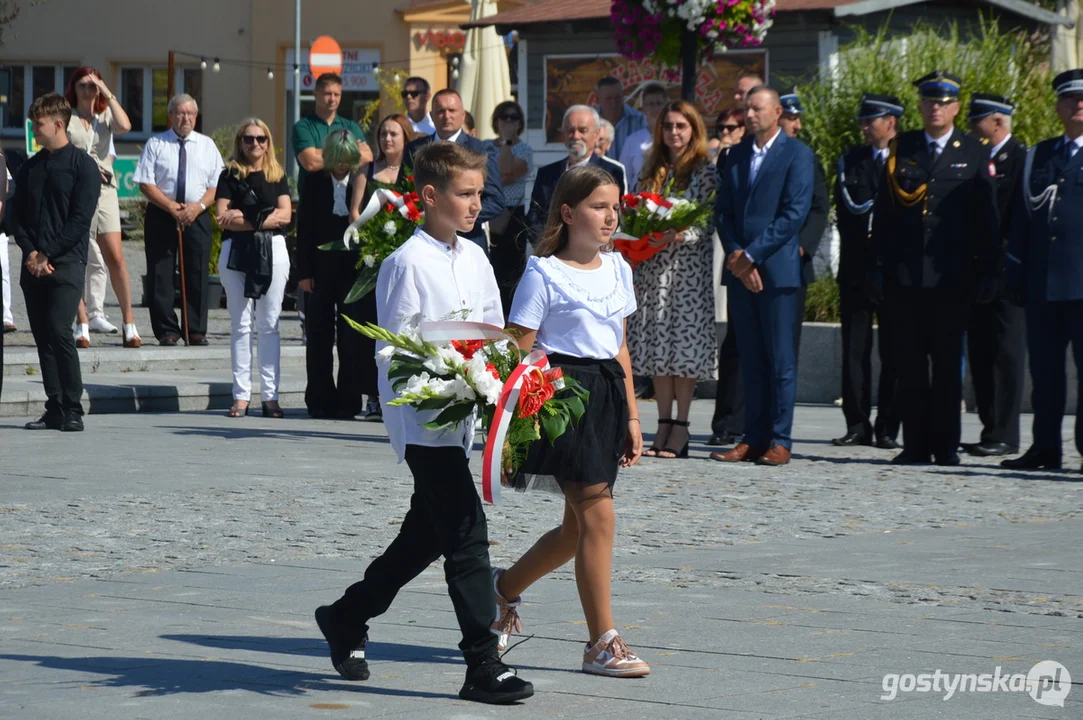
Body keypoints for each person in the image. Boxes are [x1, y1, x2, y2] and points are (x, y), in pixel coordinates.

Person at [314, 142, 534, 705]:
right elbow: (394, 350)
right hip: (423, 421)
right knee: (467, 533)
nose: (475, 205)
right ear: (429, 195)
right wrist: (445, 379)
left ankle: (347, 615)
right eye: (464, 194)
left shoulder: (478, 256)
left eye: (479, 194)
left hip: (463, 418)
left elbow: (493, 334)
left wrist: (496, 393)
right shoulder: (404, 262)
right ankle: (482, 665)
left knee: (425, 537)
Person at [490, 164, 649, 677]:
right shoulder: (543, 273)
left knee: (573, 532)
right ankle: (601, 643)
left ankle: (503, 588)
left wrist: (631, 414)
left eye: (614, 207)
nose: (611, 216)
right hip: (561, 403)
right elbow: (517, 353)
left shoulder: (619, 268)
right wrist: (510, 435)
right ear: (568, 211)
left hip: (605, 398)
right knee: (599, 517)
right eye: (599, 206)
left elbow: (619, 347)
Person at [869, 71, 999, 467]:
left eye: (943, 102)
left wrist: (990, 272)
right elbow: (886, 214)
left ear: (957, 107)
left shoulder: (974, 150)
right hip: (906, 277)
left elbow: (986, 219)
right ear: (921, 106)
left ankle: (945, 446)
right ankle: (915, 444)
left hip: (951, 278)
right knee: (909, 364)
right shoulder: (902, 147)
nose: (935, 108)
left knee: (946, 366)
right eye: (929, 101)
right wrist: (879, 268)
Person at [711, 86, 815, 467]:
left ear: (777, 112)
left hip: (778, 271)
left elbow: (795, 212)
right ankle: (752, 437)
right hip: (741, 271)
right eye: (746, 108)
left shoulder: (797, 154)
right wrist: (737, 256)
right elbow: (723, 211)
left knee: (781, 359)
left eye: (757, 108)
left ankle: (780, 438)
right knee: (750, 358)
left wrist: (752, 256)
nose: (750, 114)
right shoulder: (735, 154)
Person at [1002, 69, 1083, 476]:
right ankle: (1045, 447)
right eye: (1070, 98)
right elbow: (1022, 219)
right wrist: (1016, 273)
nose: (1079, 104)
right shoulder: (1039, 154)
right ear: (1058, 106)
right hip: (1044, 283)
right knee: (1045, 374)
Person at [628, 101, 718, 459]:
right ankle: (662, 423)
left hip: (686, 274)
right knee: (658, 350)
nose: (675, 133)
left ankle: (681, 425)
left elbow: (708, 220)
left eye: (681, 126)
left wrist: (679, 234)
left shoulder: (704, 171)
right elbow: (635, 207)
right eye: (668, 126)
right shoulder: (653, 168)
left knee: (683, 351)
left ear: (693, 130)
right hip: (653, 270)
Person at [12, 93, 101, 432]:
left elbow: (80, 220)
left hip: (66, 262)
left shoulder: (83, 166)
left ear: (58, 124)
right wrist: (33, 252)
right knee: (42, 337)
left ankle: (73, 407)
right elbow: (17, 217)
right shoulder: (32, 166)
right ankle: (54, 407)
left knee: (60, 330)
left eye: (39, 124)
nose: (35, 130)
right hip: (33, 263)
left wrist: (48, 253)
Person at [831, 93, 903, 449]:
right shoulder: (851, 161)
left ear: (891, 122)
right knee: (855, 351)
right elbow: (848, 211)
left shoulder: (909, 157)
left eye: (870, 120)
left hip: (894, 270)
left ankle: (888, 425)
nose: (863, 126)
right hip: (858, 268)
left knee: (894, 350)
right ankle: (857, 423)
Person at [961, 93, 1026, 457]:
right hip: (977, 272)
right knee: (982, 353)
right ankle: (990, 429)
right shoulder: (977, 160)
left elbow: (1016, 218)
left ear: (997, 122)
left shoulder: (1019, 159)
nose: (972, 129)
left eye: (977, 122)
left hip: (1006, 273)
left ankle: (1006, 432)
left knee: (1006, 354)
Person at [215, 119, 293, 419]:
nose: (255, 144)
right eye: (249, 139)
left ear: (268, 142)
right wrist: (263, 218)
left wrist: (243, 216)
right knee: (241, 324)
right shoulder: (230, 174)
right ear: (240, 141)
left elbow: (286, 216)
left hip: (273, 249)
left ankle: (270, 397)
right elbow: (222, 217)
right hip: (236, 251)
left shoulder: (277, 174)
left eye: (261, 138)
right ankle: (241, 396)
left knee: (270, 325)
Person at [134, 94, 223, 346]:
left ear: (196, 117)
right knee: (161, 273)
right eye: (180, 113)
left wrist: (198, 206)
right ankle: (167, 330)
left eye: (190, 114)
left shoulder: (207, 145)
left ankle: (195, 329)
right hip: (162, 213)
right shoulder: (156, 143)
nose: (185, 118)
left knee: (197, 271)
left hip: (198, 214)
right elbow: (145, 183)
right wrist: (172, 207)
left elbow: (217, 186)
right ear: (170, 116)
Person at [345, 114, 418, 420]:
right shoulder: (366, 169)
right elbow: (355, 212)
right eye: (383, 134)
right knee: (368, 328)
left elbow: (418, 211)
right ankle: (372, 396)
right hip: (371, 260)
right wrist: (371, 246)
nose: (387, 139)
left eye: (394, 134)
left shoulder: (413, 173)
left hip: (405, 259)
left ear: (405, 138)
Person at [64, 67, 140, 349]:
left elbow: (126, 126)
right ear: (74, 88)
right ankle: (81, 323)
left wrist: (107, 92)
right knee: (76, 257)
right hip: (74, 192)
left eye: (93, 86)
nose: (88, 90)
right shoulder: (67, 116)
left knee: (116, 258)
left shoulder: (105, 115)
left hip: (105, 191)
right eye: (83, 85)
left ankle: (129, 323)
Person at [300, 129, 371, 420]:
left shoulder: (361, 182)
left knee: (350, 336)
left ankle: (348, 400)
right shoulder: (315, 181)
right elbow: (303, 227)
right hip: (319, 268)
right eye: (337, 161)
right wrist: (303, 272)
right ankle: (318, 399)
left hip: (351, 269)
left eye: (347, 161)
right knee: (318, 335)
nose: (342, 166)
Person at [403, 88, 505, 253]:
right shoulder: (414, 149)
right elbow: (404, 192)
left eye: (452, 110)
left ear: (463, 115)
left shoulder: (480, 149)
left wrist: (458, 215)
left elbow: (496, 200)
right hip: (424, 240)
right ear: (432, 115)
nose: (447, 116)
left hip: (468, 241)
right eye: (441, 111)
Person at [707, 106, 749, 448]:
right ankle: (726, 422)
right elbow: (722, 210)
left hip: (768, 260)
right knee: (735, 343)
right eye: (720, 126)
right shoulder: (728, 159)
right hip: (735, 259)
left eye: (731, 126)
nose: (724, 132)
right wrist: (738, 253)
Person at [527, 106, 625, 240]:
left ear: (596, 134)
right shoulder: (547, 174)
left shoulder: (612, 172)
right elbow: (534, 218)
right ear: (563, 135)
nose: (576, 136)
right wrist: (549, 249)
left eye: (583, 130)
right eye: (570, 130)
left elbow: (617, 216)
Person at [777, 92, 827, 356]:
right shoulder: (748, 155)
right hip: (755, 261)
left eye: (798, 118)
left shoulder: (806, 157)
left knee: (788, 342)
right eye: (791, 118)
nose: (797, 125)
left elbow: (819, 206)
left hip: (792, 260)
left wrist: (803, 245)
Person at [485, 101, 534, 316]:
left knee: (514, 271)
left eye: (513, 117)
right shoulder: (486, 147)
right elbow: (493, 177)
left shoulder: (525, 149)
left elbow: (505, 173)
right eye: (504, 117)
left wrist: (506, 142)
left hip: (514, 215)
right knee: (491, 268)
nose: (508, 121)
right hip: (489, 213)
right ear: (496, 120)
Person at [293, 73, 372, 189]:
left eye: (337, 94)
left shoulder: (351, 126)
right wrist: (350, 151)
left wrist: (320, 152)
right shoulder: (303, 127)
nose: (332, 99)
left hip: (347, 199)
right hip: (312, 201)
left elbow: (367, 158)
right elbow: (311, 163)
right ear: (315, 93)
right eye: (327, 94)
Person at [619, 82, 668, 186]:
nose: (655, 108)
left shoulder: (673, 137)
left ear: (666, 106)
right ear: (643, 109)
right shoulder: (632, 140)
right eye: (650, 104)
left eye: (659, 103)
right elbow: (624, 176)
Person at [594, 76, 645, 161]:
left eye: (617, 97)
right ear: (597, 100)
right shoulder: (589, 121)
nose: (613, 103)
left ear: (623, 96)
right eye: (608, 99)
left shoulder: (639, 120)